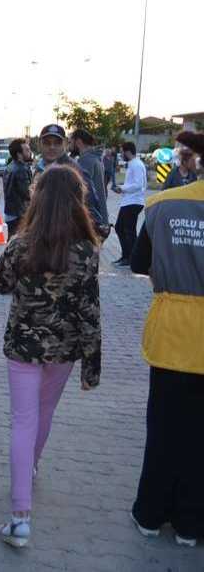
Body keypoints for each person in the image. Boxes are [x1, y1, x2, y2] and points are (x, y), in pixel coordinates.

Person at [0, 164, 102, 548]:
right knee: (44, 414)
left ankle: (20, 517)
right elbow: (90, 309)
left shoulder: (22, 244)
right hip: (65, 349)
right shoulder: (88, 251)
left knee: (23, 420)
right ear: (78, 201)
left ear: (37, 197)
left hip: (24, 346)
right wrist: (92, 365)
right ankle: (31, 467)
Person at [128, 130, 204, 548]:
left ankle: (151, 514)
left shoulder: (163, 205)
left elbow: (140, 262)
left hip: (172, 331)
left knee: (163, 429)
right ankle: (191, 523)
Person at [39, 124, 109, 236]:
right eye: (47, 142)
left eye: (57, 142)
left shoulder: (75, 172)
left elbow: (93, 212)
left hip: (67, 241)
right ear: (40, 145)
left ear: (65, 144)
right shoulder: (40, 169)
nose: (52, 147)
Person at [112, 141, 147, 266]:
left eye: (122, 152)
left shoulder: (136, 165)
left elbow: (138, 185)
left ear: (127, 152)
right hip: (130, 201)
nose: (121, 154)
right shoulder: (134, 164)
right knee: (122, 228)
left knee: (126, 230)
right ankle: (127, 256)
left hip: (133, 202)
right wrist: (122, 189)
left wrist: (122, 188)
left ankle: (131, 257)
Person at [70, 128, 110, 228]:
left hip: (91, 219)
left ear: (78, 142)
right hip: (100, 216)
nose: (69, 146)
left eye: (70, 142)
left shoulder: (85, 161)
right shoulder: (95, 158)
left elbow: (82, 193)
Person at [4, 138, 34, 238]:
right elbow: (27, 194)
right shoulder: (21, 169)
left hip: (10, 212)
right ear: (19, 154)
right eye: (27, 150)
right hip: (19, 214)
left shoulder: (10, 166)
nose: (30, 152)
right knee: (18, 246)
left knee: (11, 242)